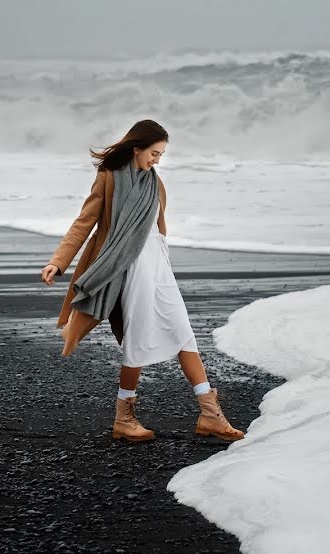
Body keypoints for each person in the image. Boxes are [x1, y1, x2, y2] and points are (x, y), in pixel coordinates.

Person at [40, 119, 244, 443]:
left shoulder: (155, 183)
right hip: (127, 267)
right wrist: (58, 261)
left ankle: (210, 414)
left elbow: (159, 230)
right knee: (138, 338)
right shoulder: (108, 177)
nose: (157, 161)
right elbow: (85, 222)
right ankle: (124, 417)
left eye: (161, 155)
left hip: (157, 264)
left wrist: (162, 259)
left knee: (183, 332)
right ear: (137, 148)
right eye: (154, 153)